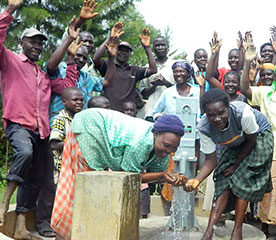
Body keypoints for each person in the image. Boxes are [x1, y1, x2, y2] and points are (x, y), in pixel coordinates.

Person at [0, 1, 80, 239]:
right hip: (18, 124)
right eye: (32, 41)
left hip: (41, 131)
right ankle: (4, 203)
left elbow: (67, 86)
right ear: (21, 43)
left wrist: (72, 57)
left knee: (36, 177)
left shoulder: (43, 75)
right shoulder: (10, 62)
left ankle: (22, 227)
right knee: (24, 153)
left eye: (40, 43)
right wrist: (10, 10)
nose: (36, 46)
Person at [51, 110, 188, 239]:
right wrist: (162, 175)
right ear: (156, 133)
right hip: (90, 128)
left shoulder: (163, 145)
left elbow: (158, 175)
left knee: (96, 190)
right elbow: (129, 176)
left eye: (173, 148)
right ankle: (66, 234)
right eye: (166, 145)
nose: (168, 151)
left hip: (97, 129)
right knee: (82, 190)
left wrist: (169, 178)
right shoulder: (139, 142)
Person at [184, 88, 273, 240]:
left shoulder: (242, 113)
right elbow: (211, 160)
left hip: (258, 137)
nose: (217, 118)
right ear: (205, 113)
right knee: (222, 178)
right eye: (211, 115)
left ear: (228, 107)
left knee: (242, 178)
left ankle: (237, 231)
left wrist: (235, 165)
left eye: (221, 113)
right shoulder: (203, 128)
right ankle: (209, 232)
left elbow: (251, 141)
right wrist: (197, 180)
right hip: (235, 141)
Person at [240, 35, 276, 236]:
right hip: (267, 150)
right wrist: (247, 62)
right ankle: (266, 229)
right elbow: (244, 88)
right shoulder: (264, 93)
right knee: (268, 192)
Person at [93, 22, 157, 111]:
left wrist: (147, 47)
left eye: (126, 51)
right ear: (115, 49)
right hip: (109, 110)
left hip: (128, 112)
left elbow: (153, 69)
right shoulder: (109, 64)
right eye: (120, 50)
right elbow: (95, 59)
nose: (123, 52)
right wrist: (110, 38)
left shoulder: (134, 70)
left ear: (130, 54)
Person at [50, 88, 83, 184]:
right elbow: (54, 145)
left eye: (81, 100)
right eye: (75, 100)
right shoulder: (60, 120)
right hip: (63, 165)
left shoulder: (80, 119)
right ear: (64, 102)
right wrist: (75, 143)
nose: (79, 102)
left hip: (77, 164)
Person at [139, 36, 175, 122]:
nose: (160, 47)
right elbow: (143, 92)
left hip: (170, 112)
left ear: (167, 46)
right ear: (153, 48)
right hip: (150, 112)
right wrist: (154, 86)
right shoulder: (147, 67)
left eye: (162, 45)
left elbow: (180, 90)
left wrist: (165, 83)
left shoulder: (175, 65)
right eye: (157, 45)